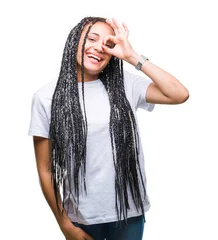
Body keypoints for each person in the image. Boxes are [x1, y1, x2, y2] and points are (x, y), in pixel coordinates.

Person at [29, 17, 189, 240]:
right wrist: (65, 224)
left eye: (108, 44)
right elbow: (46, 170)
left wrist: (133, 56)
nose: (99, 48)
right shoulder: (46, 98)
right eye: (92, 39)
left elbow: (179, 94)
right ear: (74, 41)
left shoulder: (126, 84)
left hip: (129, 213)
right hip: (81, 219)